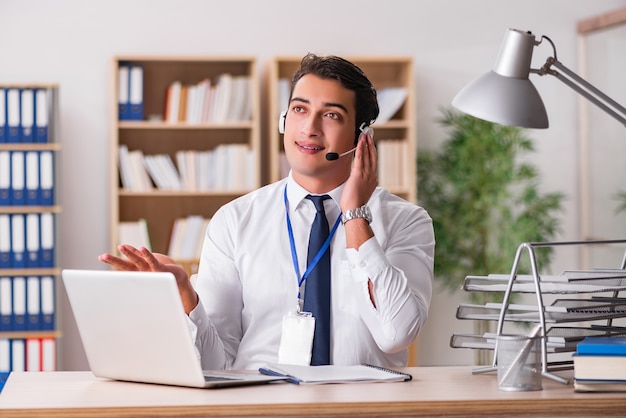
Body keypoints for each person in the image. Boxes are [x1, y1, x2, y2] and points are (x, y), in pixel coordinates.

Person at [99, 53, 434, 370]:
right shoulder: (235, 221)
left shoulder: (406, 221)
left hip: (363, 409)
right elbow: (218, 364)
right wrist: (187, 298)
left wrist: (355, 215)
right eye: (300, 110)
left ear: (362, 137)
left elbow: (396, 333)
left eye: (331, 115)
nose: (309, 128)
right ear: (283, 121)